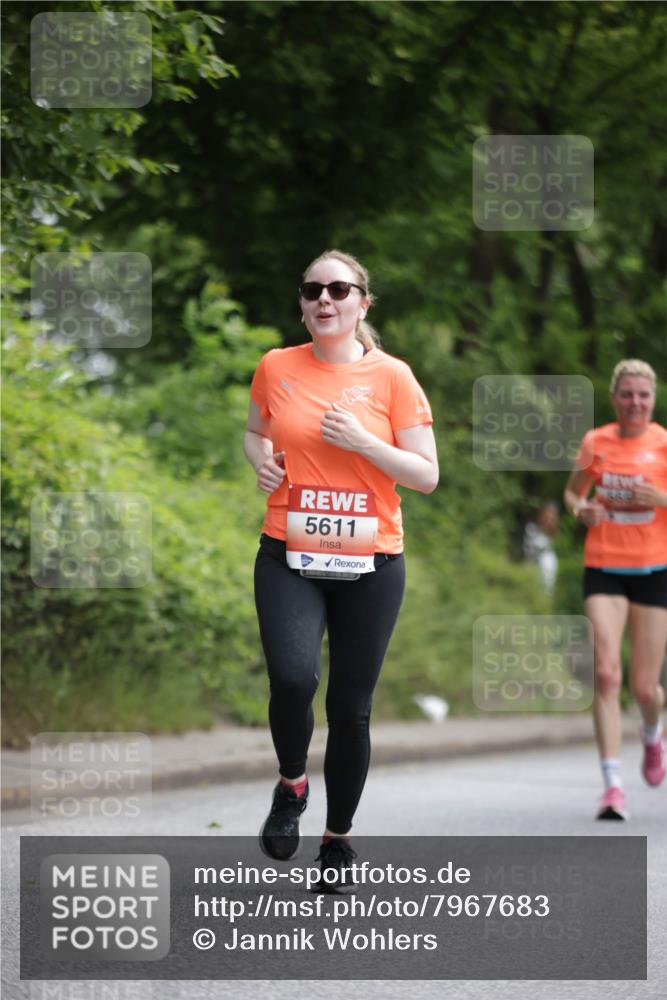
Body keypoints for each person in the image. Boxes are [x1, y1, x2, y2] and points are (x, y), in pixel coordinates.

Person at [244, 249, 438, 889]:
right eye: (312, 290)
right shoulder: (276, 366)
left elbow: (426, 475)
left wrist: (363, 442)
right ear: (302, 305)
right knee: (292, 677)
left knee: (350, 707)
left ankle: (337, 840)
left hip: (372, 560)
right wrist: (261, 461)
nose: (324, 299)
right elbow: (255, 431)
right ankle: (292, 783)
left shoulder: (393, 377)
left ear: (362, 303)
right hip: (289, 552)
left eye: (338, 289)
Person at [564, 359, 667, 820]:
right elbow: (573, 493)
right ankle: (612, 786)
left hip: (654, 570)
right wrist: (581, 509)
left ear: (653, 399)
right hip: (604, 566)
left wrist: (660, 499)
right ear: (614, 398)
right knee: (606, 674)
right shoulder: (596, 442)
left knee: (646, 689)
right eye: (627, 394)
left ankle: (652, 733)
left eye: (643, 395)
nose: (635, 402)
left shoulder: (664, 444)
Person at [523, 501, 560, 597]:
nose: (549, 519)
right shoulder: (531, 529)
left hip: (547, 566)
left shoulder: (553, 534)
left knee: (546, 590)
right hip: (532, 565)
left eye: (552, 517)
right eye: (547, 516)